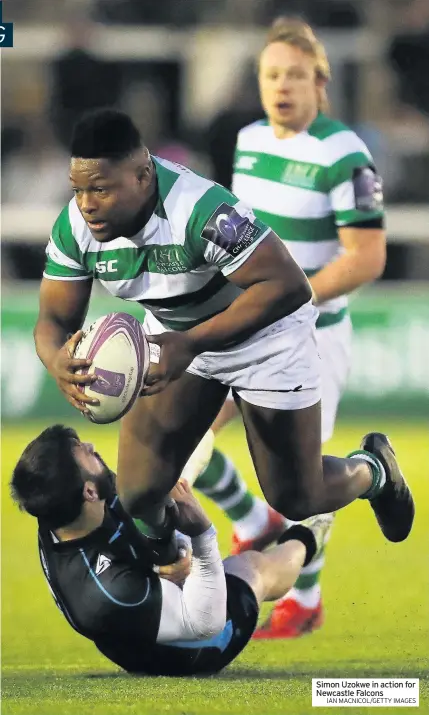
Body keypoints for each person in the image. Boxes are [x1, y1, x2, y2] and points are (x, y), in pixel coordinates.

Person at [34, 107, 413, 566]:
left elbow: (288, 286)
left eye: (101, 188)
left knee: (297, 495)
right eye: (78, 189)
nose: (87, 203)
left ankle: (374, 471)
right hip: (176, 340)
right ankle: (177, 569)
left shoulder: (201, 209)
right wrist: (56, 360)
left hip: (263, 338)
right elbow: (54, 320)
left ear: (142, 175)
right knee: (137, 495)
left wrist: (191, 343)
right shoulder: (75, 226)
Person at [185, 16, 398, 638]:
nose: (283, 86)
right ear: (258, 82)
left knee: (303, 484)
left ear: (320, 83)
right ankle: (249, 520)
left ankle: (305, 599)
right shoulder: (249, 140)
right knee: (188, 433)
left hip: (314, 336)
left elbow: (367, 256)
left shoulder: (343, 153)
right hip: (249, 327)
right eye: (272, 74)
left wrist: (291, 298)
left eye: (296, 76)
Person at [10, 425, 334, 676]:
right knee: (251, 569)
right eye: (86, 453)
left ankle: (259, 523)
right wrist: (200, 540)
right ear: (89, 492)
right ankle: (310, 535)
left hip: (138, 615)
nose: (93, 447)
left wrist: (161, 563)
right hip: (190, 648)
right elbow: (206, 621)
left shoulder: (62, 509)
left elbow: (138, 511)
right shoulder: (105, 595)